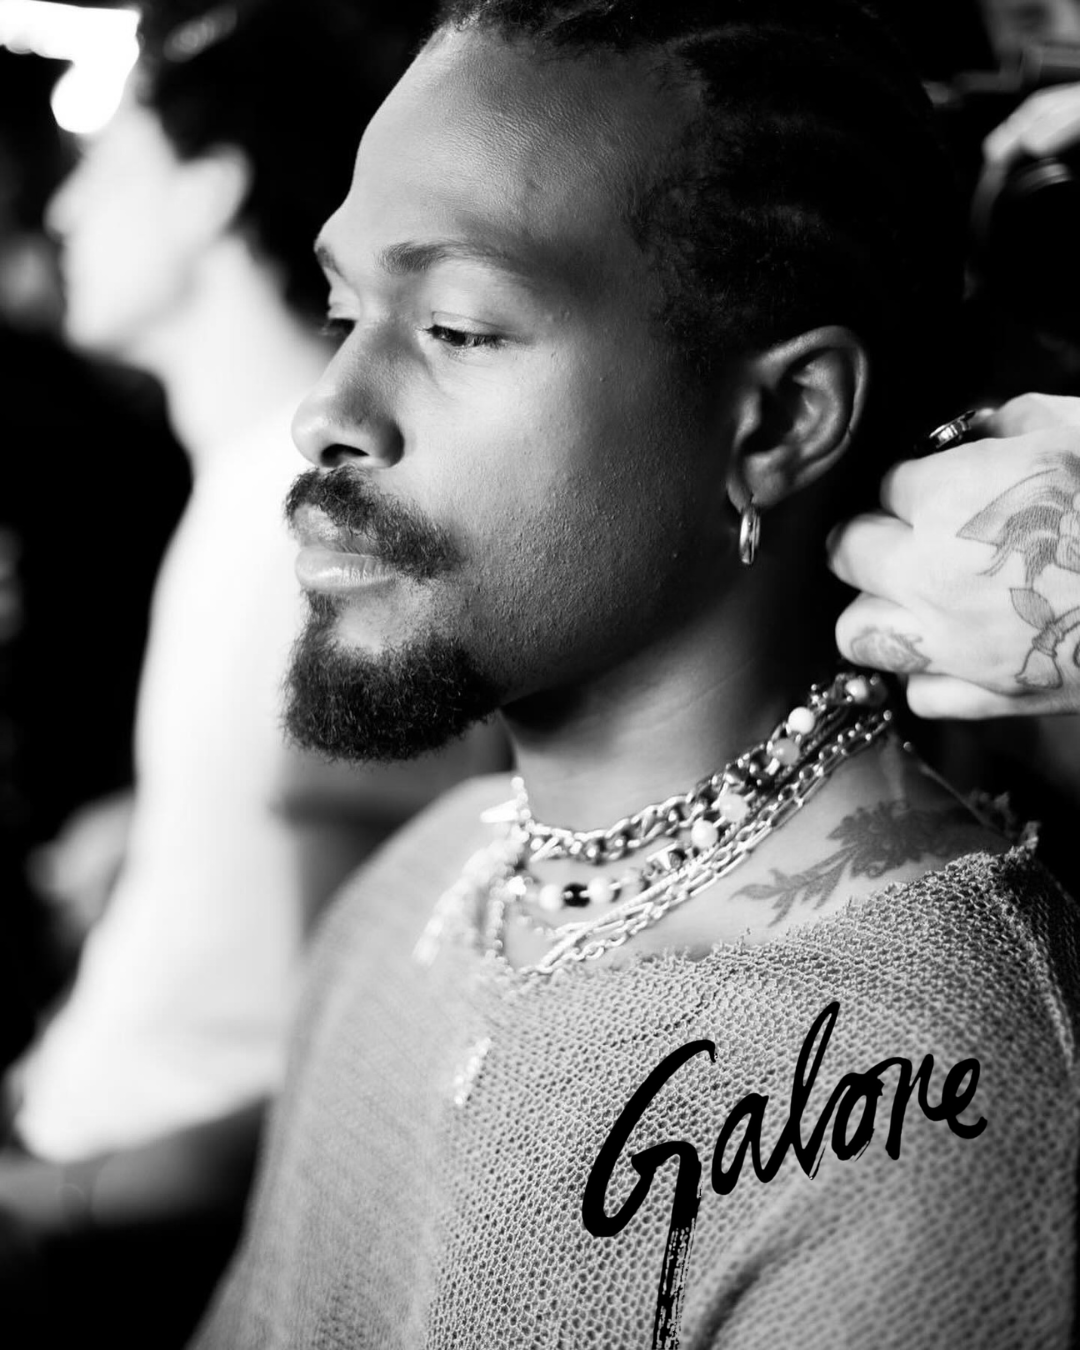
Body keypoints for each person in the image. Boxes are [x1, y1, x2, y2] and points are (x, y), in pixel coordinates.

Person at [191, 2, 1080, 1347]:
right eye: (343, 309)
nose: (331, 409)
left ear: (779, 420)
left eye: (461, 327)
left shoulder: (919, 1075)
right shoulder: (418, 893)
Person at [0, 0, 506, 1343]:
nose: (61, 210)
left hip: (147, 1226)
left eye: (110, 165)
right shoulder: (241, 494)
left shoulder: (322, 534)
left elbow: (354, 1033)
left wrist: (64, 1202)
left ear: (214, 187)